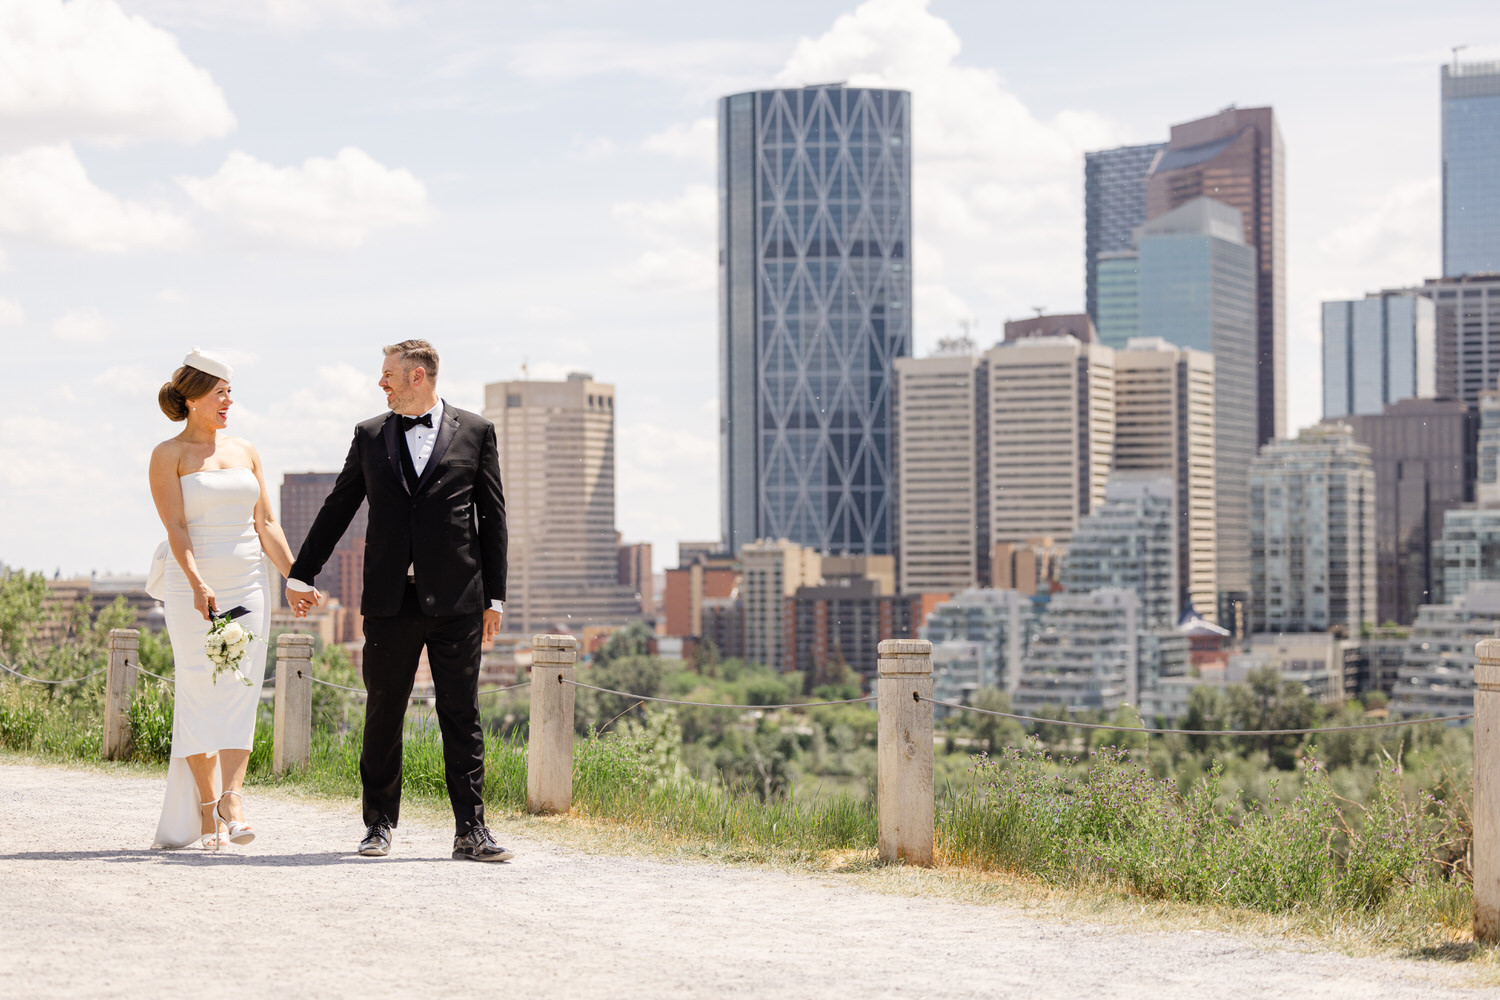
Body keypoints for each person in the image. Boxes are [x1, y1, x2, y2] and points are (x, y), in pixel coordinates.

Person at [285, 339, 512, 862]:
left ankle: (471, 830)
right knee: (383, 713)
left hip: (458, 599)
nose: (380, 383)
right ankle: (378, 825)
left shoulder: (477, 432)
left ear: (418, 376)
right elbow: (339, 505)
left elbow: (493, 519)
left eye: (388, 374)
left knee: (462, 714)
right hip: (389, 601)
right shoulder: (369, 436)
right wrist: (301, 573)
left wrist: (495, 596)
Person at [147, 348, 300, 850]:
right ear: (192, 398)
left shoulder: (245, 450)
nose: (228, 400)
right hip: (193, 587)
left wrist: (295, 578)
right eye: (220, 392)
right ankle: (207, 810)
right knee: (198, 688)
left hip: (250, 584)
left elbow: (267, 524)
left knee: (241, 687)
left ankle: (233, 801)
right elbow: (175, 526)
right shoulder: (167, 455)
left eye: (230, 392)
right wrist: (196, 583)